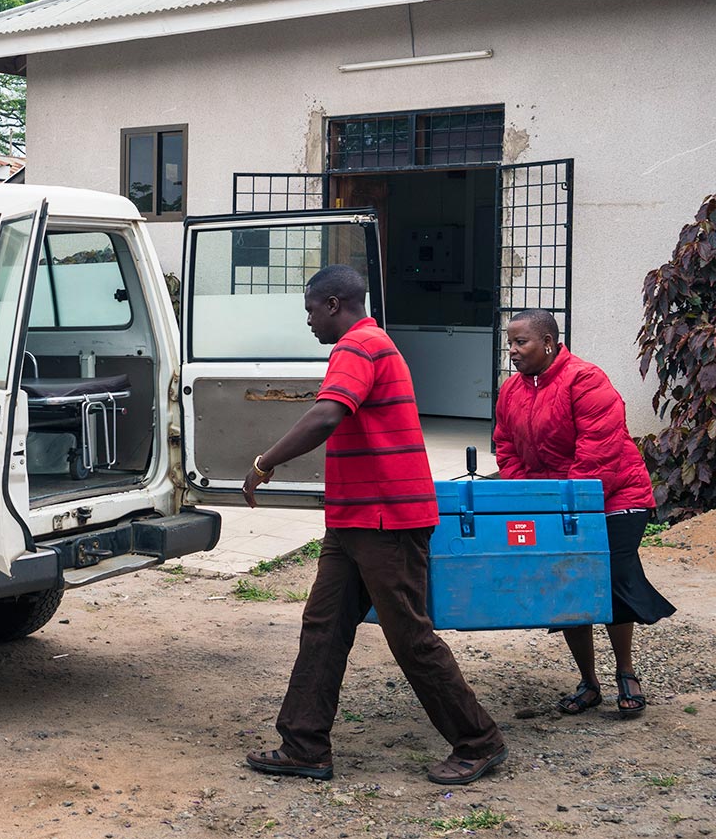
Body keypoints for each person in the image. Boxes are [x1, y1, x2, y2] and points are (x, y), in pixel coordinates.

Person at [241, 265, 507, 786]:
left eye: (311, 311)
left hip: (387, 518)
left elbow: (326, 415)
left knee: (410, 636)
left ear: (335, 303)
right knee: (323, 628)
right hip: (356, 518)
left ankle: (480, 741)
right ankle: (304, 746)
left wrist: (263, 462)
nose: (310, 322)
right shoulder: (370, 342)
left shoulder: (358, 344)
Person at [494, 309, 675, 718]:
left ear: (549, 343)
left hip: (614, 495)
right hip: (558, 502)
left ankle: (627, 673)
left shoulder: (586, 380)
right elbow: (505, 446)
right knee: (567, 585)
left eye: (521, 342)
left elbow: (599, 453)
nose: (513, 351)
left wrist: (564, 508)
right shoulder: (511, 391)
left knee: (610, 577)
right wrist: (533, 498)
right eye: (510, 343)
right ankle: (589, 683)